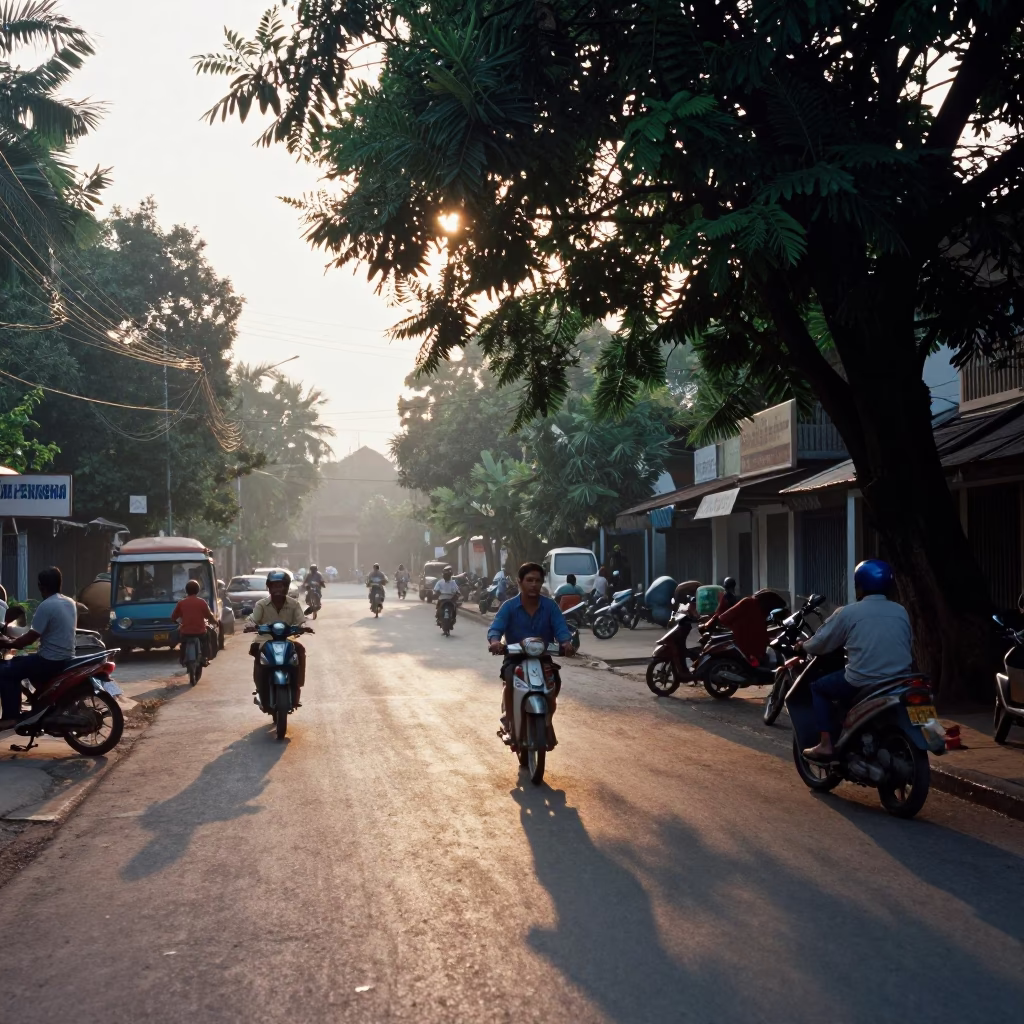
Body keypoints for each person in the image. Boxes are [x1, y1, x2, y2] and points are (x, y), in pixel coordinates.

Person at [796, 559, 913, 761]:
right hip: (899, 679)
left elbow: (822, 641)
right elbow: (907, 642)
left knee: (818, 688)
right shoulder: (900, 611)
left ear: (859, 585)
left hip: (863, 679)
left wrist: (803, 646)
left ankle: (825, 744)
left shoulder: (849, 612)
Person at [487, 562, 574, 738]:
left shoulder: (550, 607)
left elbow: (561, 629)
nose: (534, 584)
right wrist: (495, 642)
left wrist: (566, 643)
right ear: (520, 582)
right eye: (529, 580)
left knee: (554, 680)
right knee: (510, 677)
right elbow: (496, 628)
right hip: (514, 658)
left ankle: (547, 719)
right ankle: (509, 719)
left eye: (537, 580)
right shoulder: (509, 607)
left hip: (542, 657)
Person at [0, 567, 77, 729]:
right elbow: (35, 632)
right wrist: (12, 635)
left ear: (41, 586)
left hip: (49, 661)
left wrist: (8, 643)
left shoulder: (46, 606)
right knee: (21, 660)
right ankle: (38, 702)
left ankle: (11, 716)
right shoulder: (69, 602)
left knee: (6, 671)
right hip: (66, 657)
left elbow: (29, 638)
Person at [245, 570, 307, 709]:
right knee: (256, 650)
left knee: (300, 649)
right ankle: (260, 686)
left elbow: (301, 620)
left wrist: (303, 626)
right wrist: (250, 624)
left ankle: (297, 685)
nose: (278, 589)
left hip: (288, 640)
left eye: (281, 586)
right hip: (265, 640)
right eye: (275, 586)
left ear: (286, 587)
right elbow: (253, 618)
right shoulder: (261, 604)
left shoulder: (294, 604)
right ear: (269, 587)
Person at [171, 580, 218, 667]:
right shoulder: (202, 602)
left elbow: (174, 617)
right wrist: (215, 622)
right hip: (200, 631)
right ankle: (205, 657)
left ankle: (182, 658)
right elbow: (209, 615)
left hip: (185, 632)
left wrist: (176, 622)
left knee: (182, 642)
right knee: (206, 639)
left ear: (186, 590)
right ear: (198, 590)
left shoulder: (181, 603)